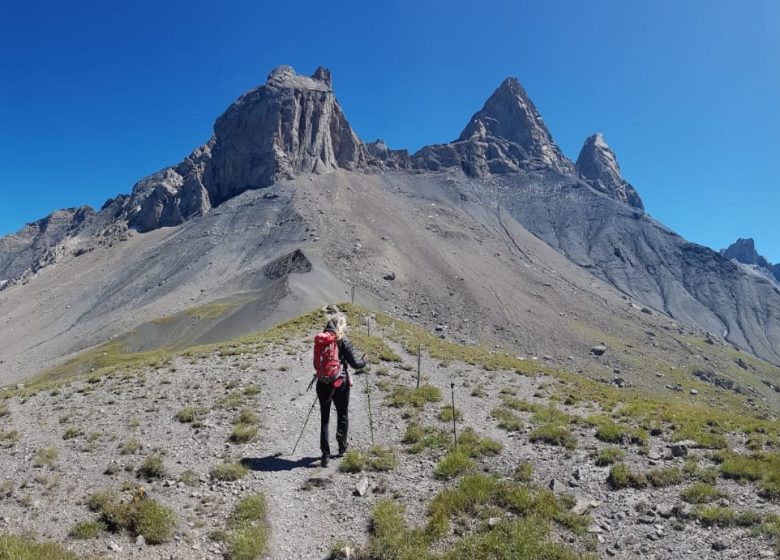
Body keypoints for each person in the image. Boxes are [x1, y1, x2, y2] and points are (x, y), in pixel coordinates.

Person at [316, 313, 366, 467]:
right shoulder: (343, 341)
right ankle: (341, 445)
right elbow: (355, 364)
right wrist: (365, 361)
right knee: (342, 413)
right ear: (341, 326)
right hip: (340, 383)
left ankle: (325, 455)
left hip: (322, 382)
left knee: (325, 418)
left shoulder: (321, 341)